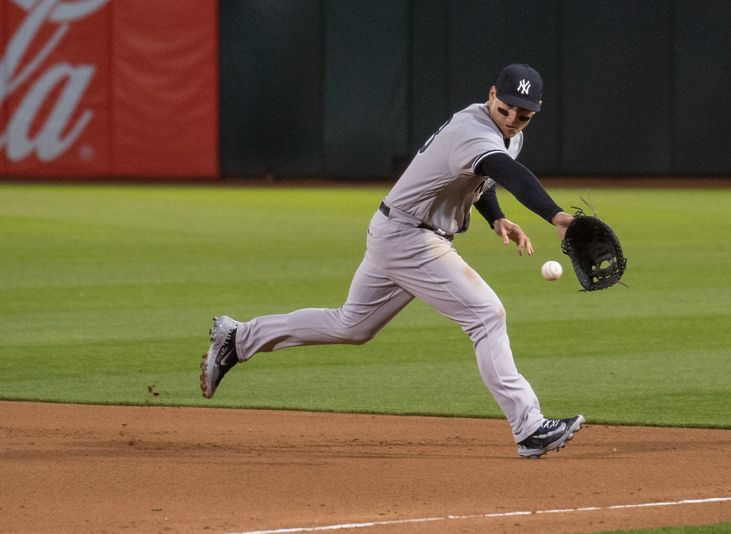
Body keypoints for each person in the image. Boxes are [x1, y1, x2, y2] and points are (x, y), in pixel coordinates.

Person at [201, 64, 584, 459]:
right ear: (491, 95)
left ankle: (239, 338)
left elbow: (479, 178)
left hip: (397, 231)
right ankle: (530, 427)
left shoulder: (503, 134)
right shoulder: (472, 129)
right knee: (487, 314)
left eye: (523, 116)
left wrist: (496, 216)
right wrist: (556, 216)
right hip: (410, 239)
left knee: (352, 325)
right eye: (506, 109)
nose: (512, 120)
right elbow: (505, 171)